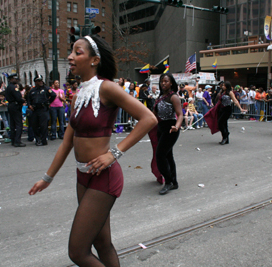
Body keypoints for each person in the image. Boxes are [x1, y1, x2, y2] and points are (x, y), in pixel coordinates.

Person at [28, 35, 157, 266]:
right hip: (83, 177)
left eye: (78, 52)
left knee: (78, 252)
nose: (70, 57)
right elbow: (67, 142)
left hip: (104, 177)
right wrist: (47, 178)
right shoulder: (77, 95)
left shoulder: (107, 88)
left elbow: (148, 118)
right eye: (72, 52)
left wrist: (114, 153)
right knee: (102, 243)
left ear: (94, 60)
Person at [153, 73, 183, 195]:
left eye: (166, 81)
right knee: (168, 155)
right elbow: (153, 114)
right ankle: (174, 182)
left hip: (171, 129)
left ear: (171, 83)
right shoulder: (160, 96)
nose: (163, 83)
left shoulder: (173, 97)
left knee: (160, 155)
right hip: (161, 128)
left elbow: (180, 114)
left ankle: (168, 181)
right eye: (161, 81)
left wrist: (177, 126)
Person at [28, 75, 56, 146]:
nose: (40, 82)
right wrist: (29, 105)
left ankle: (43, 140)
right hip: (35, 110)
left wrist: (48, 102)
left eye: (41, 80)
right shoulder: (32, 90)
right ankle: (38, 139)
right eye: (38, 81)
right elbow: (28, 99)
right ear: (35, 82)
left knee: (43, 126)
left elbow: (53, 95)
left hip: (43, 109)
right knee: (34, 125)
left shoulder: (46, 88)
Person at [5, 74, 26, 147]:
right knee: (18, 124)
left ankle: (13, 140)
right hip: (16, 105)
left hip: (11, 105)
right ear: (11, 79)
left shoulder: (8, 87)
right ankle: (17, 141)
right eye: (15, 79)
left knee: (12, 124)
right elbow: (18, 97)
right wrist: (22, 100)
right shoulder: (14, 88)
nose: (16, 80)